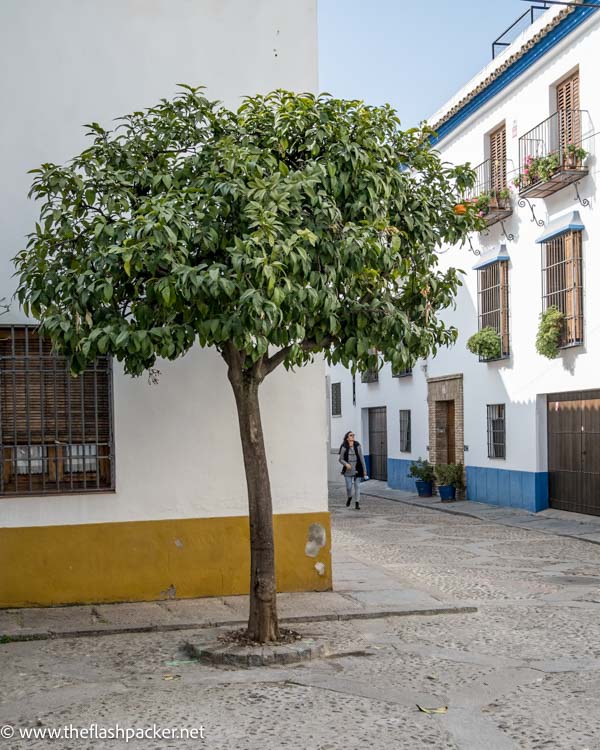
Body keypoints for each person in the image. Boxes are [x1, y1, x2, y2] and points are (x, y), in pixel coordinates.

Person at [339, 430, 368, 510]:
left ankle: (357, 503)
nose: (353, 436)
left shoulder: (357, 445)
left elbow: (362, 458)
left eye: (353, 435)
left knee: (357, 486)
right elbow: (340, 459)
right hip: (348, 470)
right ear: (347, 438)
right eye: (351, 435)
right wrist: (346, 464)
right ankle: (349, 497)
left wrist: (365, 470)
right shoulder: (344, 446)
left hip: (358, 468)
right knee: (349, 487)